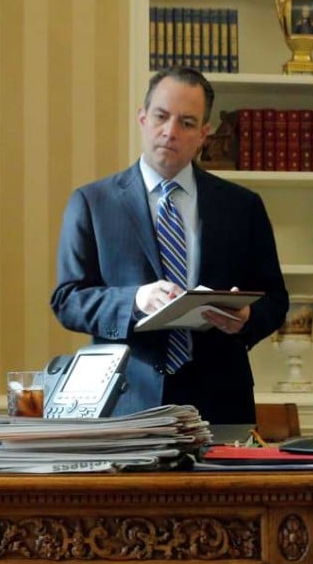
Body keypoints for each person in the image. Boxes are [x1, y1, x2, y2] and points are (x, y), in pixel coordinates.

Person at [51, 66, 289, 424]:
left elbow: (276, 300)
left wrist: (247, 318)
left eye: (187, 123)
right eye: (161, 117)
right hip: (124, 404)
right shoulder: (93, 202)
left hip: (220, 403)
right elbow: (67, 300)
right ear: (143, 118)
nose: (170, 132)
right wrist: (134, 300)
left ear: (204, 134)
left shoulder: (242, 207)